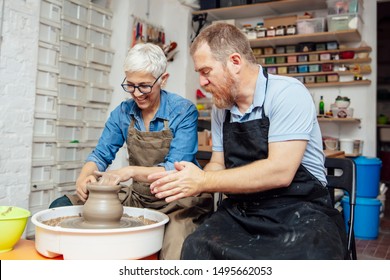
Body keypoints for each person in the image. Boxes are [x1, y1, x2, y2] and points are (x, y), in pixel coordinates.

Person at [148, 23, 348, 260]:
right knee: (196, 245)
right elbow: (218, 164)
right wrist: (186, 179)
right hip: (244, 209)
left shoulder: (287, 94)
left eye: (206, 71)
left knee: (305, 258)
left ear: (234, 62)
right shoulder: (222, 108)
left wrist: (203, 180)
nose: (202, 82)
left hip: (301, 210)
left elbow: (280, 171)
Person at [49, 43, 213, 260]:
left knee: (176, 253)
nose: (136, 93)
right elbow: (101, 154)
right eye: (130, 85)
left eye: (144, 86)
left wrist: (128, 172)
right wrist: (85, 174)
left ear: (163, 79)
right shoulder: (123, 112)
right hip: (139, 196)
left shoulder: (183, 111)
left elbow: (175, 170)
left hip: (178, 201)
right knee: (60, 206)